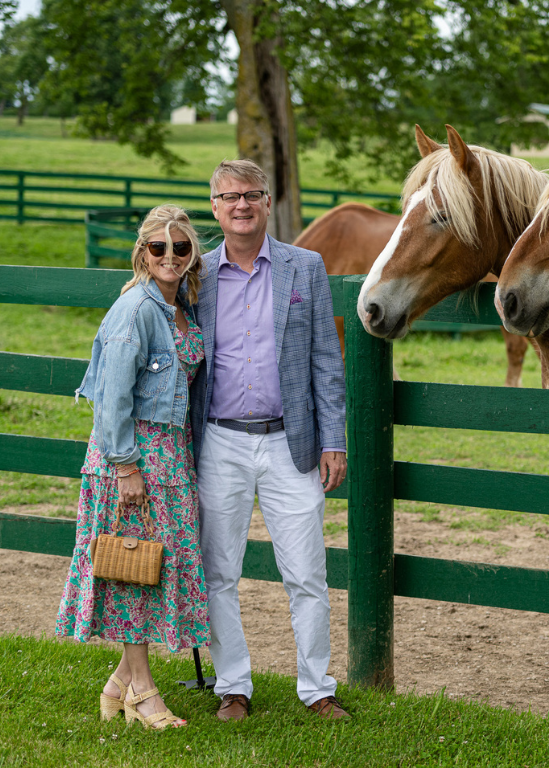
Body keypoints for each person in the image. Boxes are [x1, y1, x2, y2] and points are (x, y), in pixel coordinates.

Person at [190, 159, 348, 721]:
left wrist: (335, 440)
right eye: (229, 196)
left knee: (306, 572)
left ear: (267, 201)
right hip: (218, 443)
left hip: (291, 443)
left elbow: (327, 363)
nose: (241, 205)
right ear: (215, 206)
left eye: (251, 194)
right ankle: (233, 686)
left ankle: (318, 689)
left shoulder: (305, 267)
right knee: (217, 572)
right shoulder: (195, 275)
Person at [56, 204, 210, 729]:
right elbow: (112, 396)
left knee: (151, 565)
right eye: (158, 247)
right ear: (142, 252)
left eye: (181, 247)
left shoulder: (182, 303)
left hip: (170, 456)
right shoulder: (137, 310)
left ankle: (119, 682)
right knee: (133, 572)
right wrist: (125, 467)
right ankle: (143, 693)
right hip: (134, 457)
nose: (170, 256)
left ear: (191, 255)